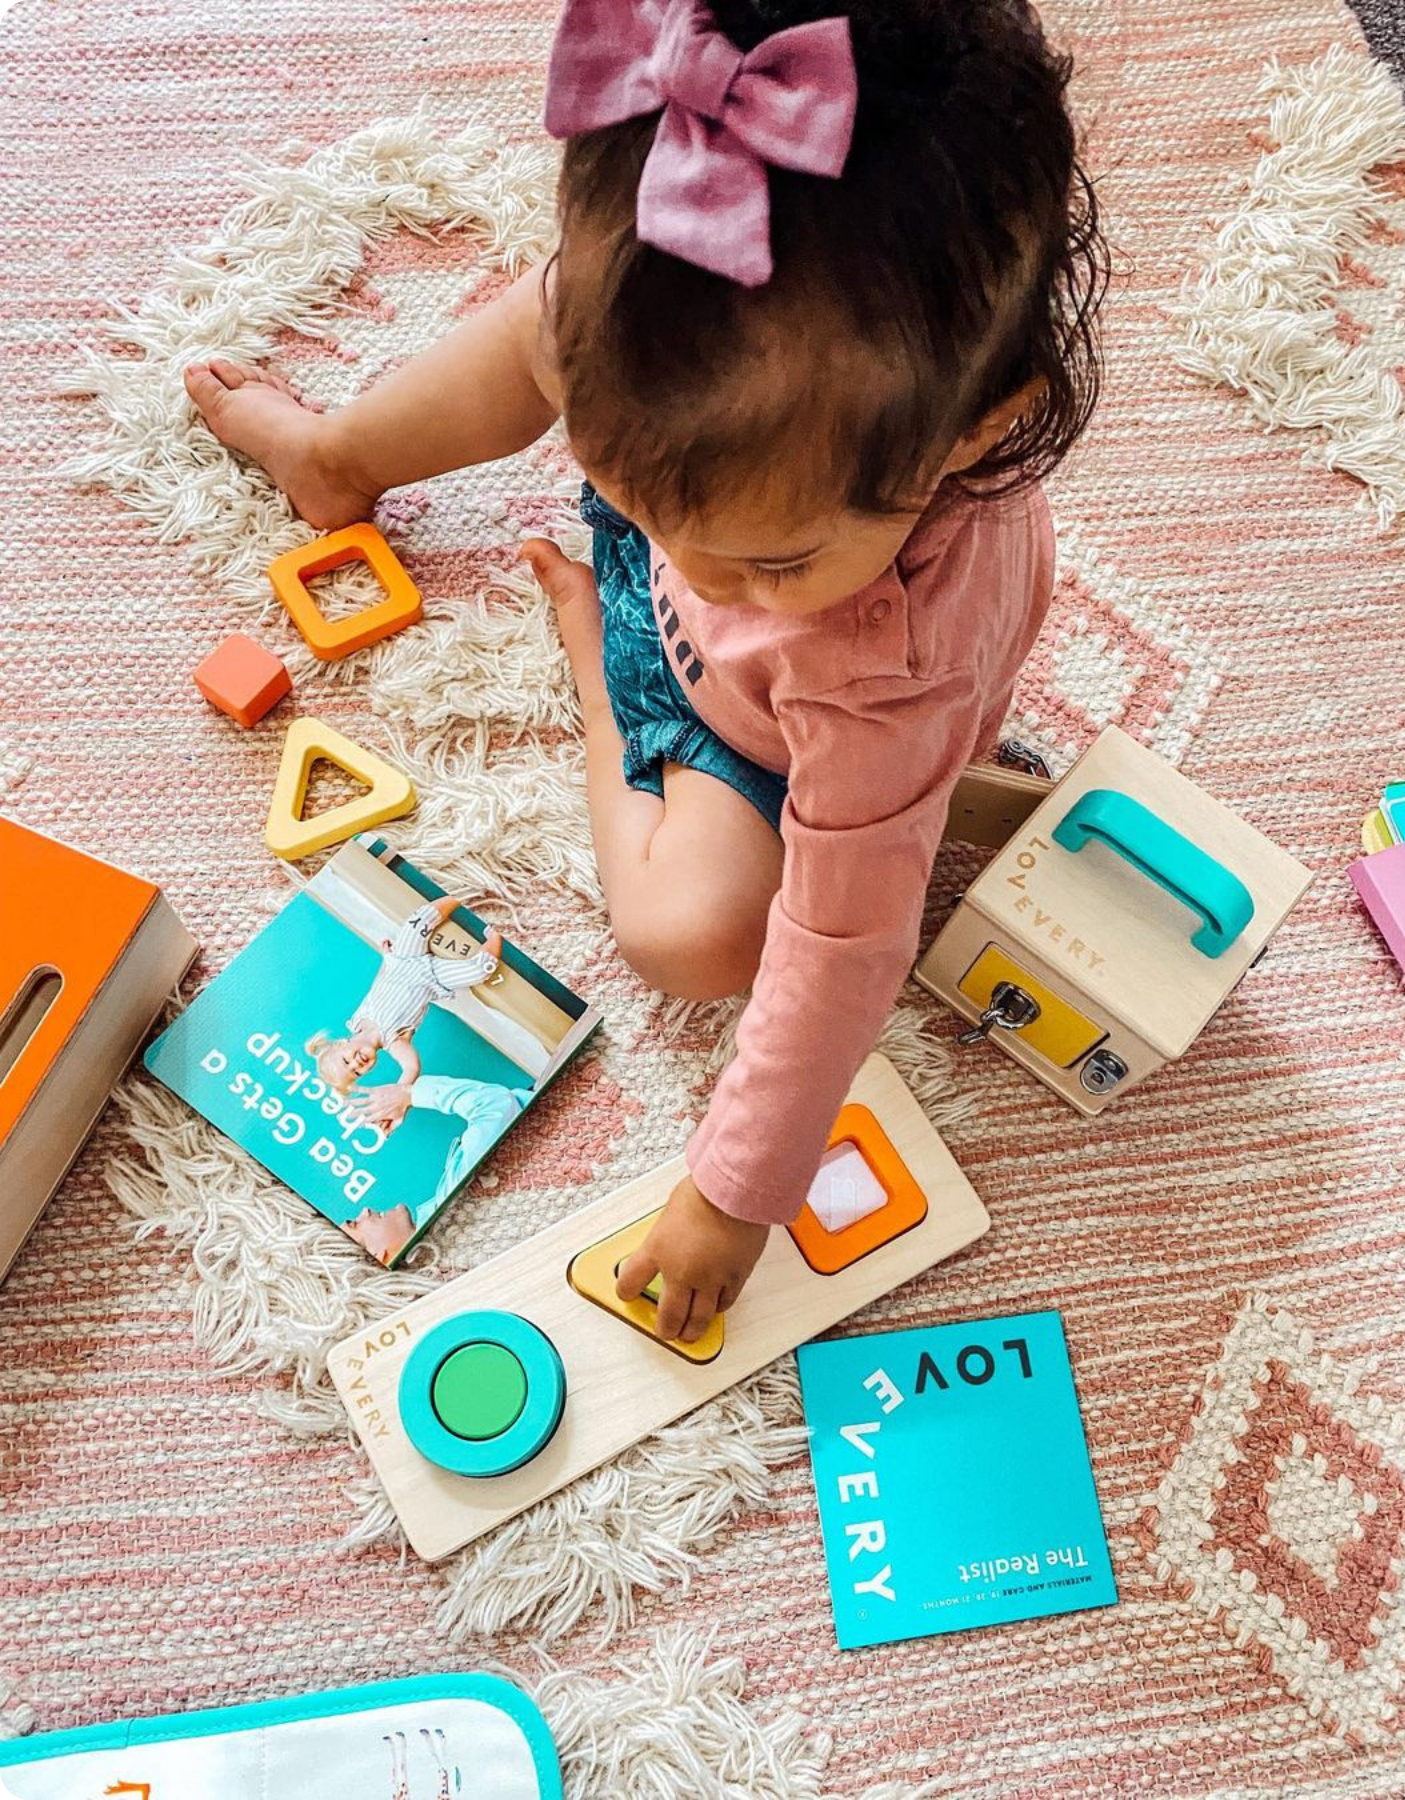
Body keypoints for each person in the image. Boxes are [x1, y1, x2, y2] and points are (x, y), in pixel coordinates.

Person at [185, 0, 1106, 1347]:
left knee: (697, 940)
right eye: (630, 492)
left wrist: (735, 1196)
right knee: (541, 337)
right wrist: (375, 446)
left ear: (976, 435)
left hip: (766, 729)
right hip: (730, 532)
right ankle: (335, 459)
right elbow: (554, 360)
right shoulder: (661, 305)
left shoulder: (884, 678)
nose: (686, 560)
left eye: (771, 561)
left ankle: (600, 678)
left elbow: (847, 948)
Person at [305, 896, 504, 1096]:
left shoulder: (356, 1021)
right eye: (357, 1072)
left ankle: (460, 896)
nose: (356, 1063)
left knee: (417, 923)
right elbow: (412, 1067)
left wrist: (386, 960)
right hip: (432, 978)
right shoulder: (395, 1042)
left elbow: (377, 986)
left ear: (342, 1043)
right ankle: (496, 932)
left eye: (346, 1060)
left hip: (402, 960)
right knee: (481, 970)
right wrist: (400, 1092)